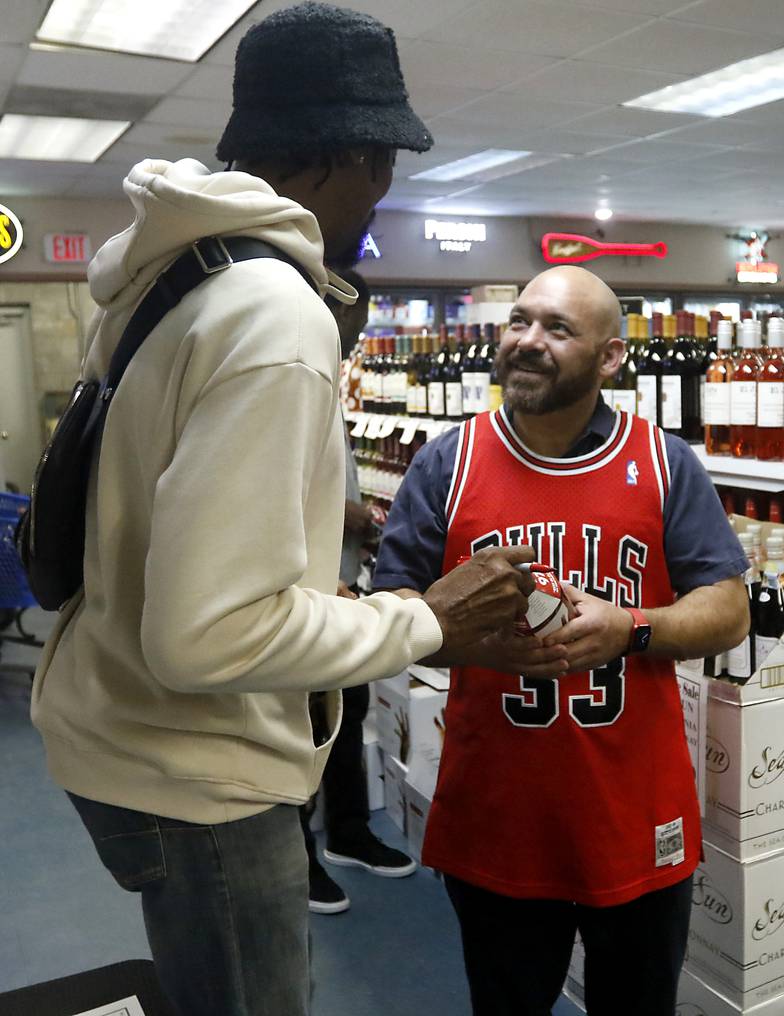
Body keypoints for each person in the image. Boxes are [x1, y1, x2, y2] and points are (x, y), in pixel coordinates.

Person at [29, 6, 540, 1016]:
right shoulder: (273, 311)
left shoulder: (176, 274)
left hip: (120, 727)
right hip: (203, 775)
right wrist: (429, 618)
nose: (383, 193)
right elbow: (209, 633)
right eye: (385, 164)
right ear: (352, 152)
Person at [373, 265, 751, 1016]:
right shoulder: (447, 462)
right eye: (519, 321)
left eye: (557, 329)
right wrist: (473, 645)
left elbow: (731, 607)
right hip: (499, 815)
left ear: (611, 356)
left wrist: (632, 627)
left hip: (637, 814)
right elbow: (389, 610)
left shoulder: (664, 463)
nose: (528, 341)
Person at [302, 269, 416, 915]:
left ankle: (349, 832)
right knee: (303, 725)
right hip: (302, 597)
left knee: (348, 713)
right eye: (355, 317)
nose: (359, 333)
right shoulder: (287, 371)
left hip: (342, 589)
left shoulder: (323, 376)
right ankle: (301, 859)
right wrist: (340, 517)